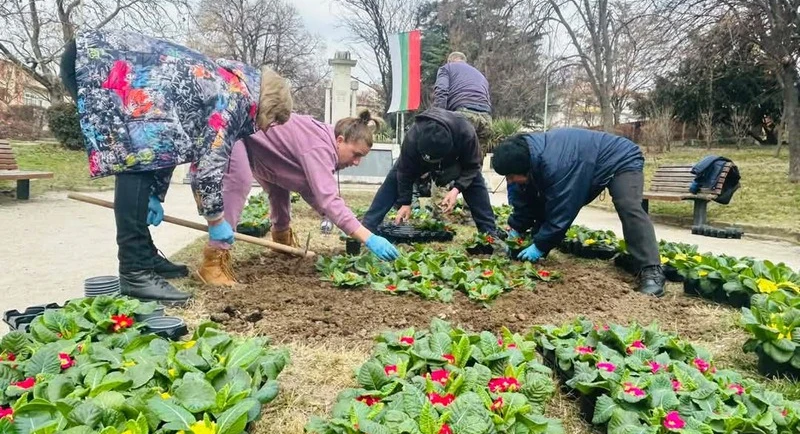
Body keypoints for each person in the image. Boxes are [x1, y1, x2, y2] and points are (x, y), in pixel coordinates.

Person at [60, 30, 292, 304]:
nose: (267, 128)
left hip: (102, 59)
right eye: (273, 120)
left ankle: (145, 259)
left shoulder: (229, 85)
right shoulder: (234, 99)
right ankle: (136, 273)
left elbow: (166, 141)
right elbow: (209, 168)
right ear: (269, 106)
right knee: (136, 161)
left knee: (145, 151)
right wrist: (217, 222)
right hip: (99, 63)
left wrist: (156, 196)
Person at [198, 110, 400, 285]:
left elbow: (311, 191)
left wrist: (349, 224)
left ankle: (282, 240)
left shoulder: (325, 141)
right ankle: (213, 262)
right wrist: (369, 238)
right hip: (236, 133)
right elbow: (328, 200)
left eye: (361, 157)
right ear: (340, 140)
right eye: (356, 154)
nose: (356, 162)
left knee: (280, 186)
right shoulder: (319, 148)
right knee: (238, 182)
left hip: (261, 147)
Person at [491, 129, 665, 297]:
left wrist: (540, 246)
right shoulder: (525, 158)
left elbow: (562, 209)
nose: (509, 180)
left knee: (628, 206)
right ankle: (634, 260)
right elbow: (527, 200)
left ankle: (651, 270)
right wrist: (516, 228)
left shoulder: (557, 165)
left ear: (526, 168)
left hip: (620, 158)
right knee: (535, 194)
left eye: (512, 176)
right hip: (585, 161)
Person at [362, 107, 497, 235]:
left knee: (476, 183)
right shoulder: (412, 138)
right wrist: (405, 202)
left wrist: (456, 189)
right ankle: (367, 227)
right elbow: (404, 172)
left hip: (454, 161)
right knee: (393, 179)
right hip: (419, 157)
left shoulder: (465, 132)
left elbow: (473, 166)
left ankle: (489, 233)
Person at [433, 52, 493, 156]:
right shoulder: (480, 75)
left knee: (453, 160)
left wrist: (438, 118)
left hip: (463, 116)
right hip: (486, 119)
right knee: (475, 162)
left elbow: (441, 92)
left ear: (450, 61)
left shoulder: (447, 68)